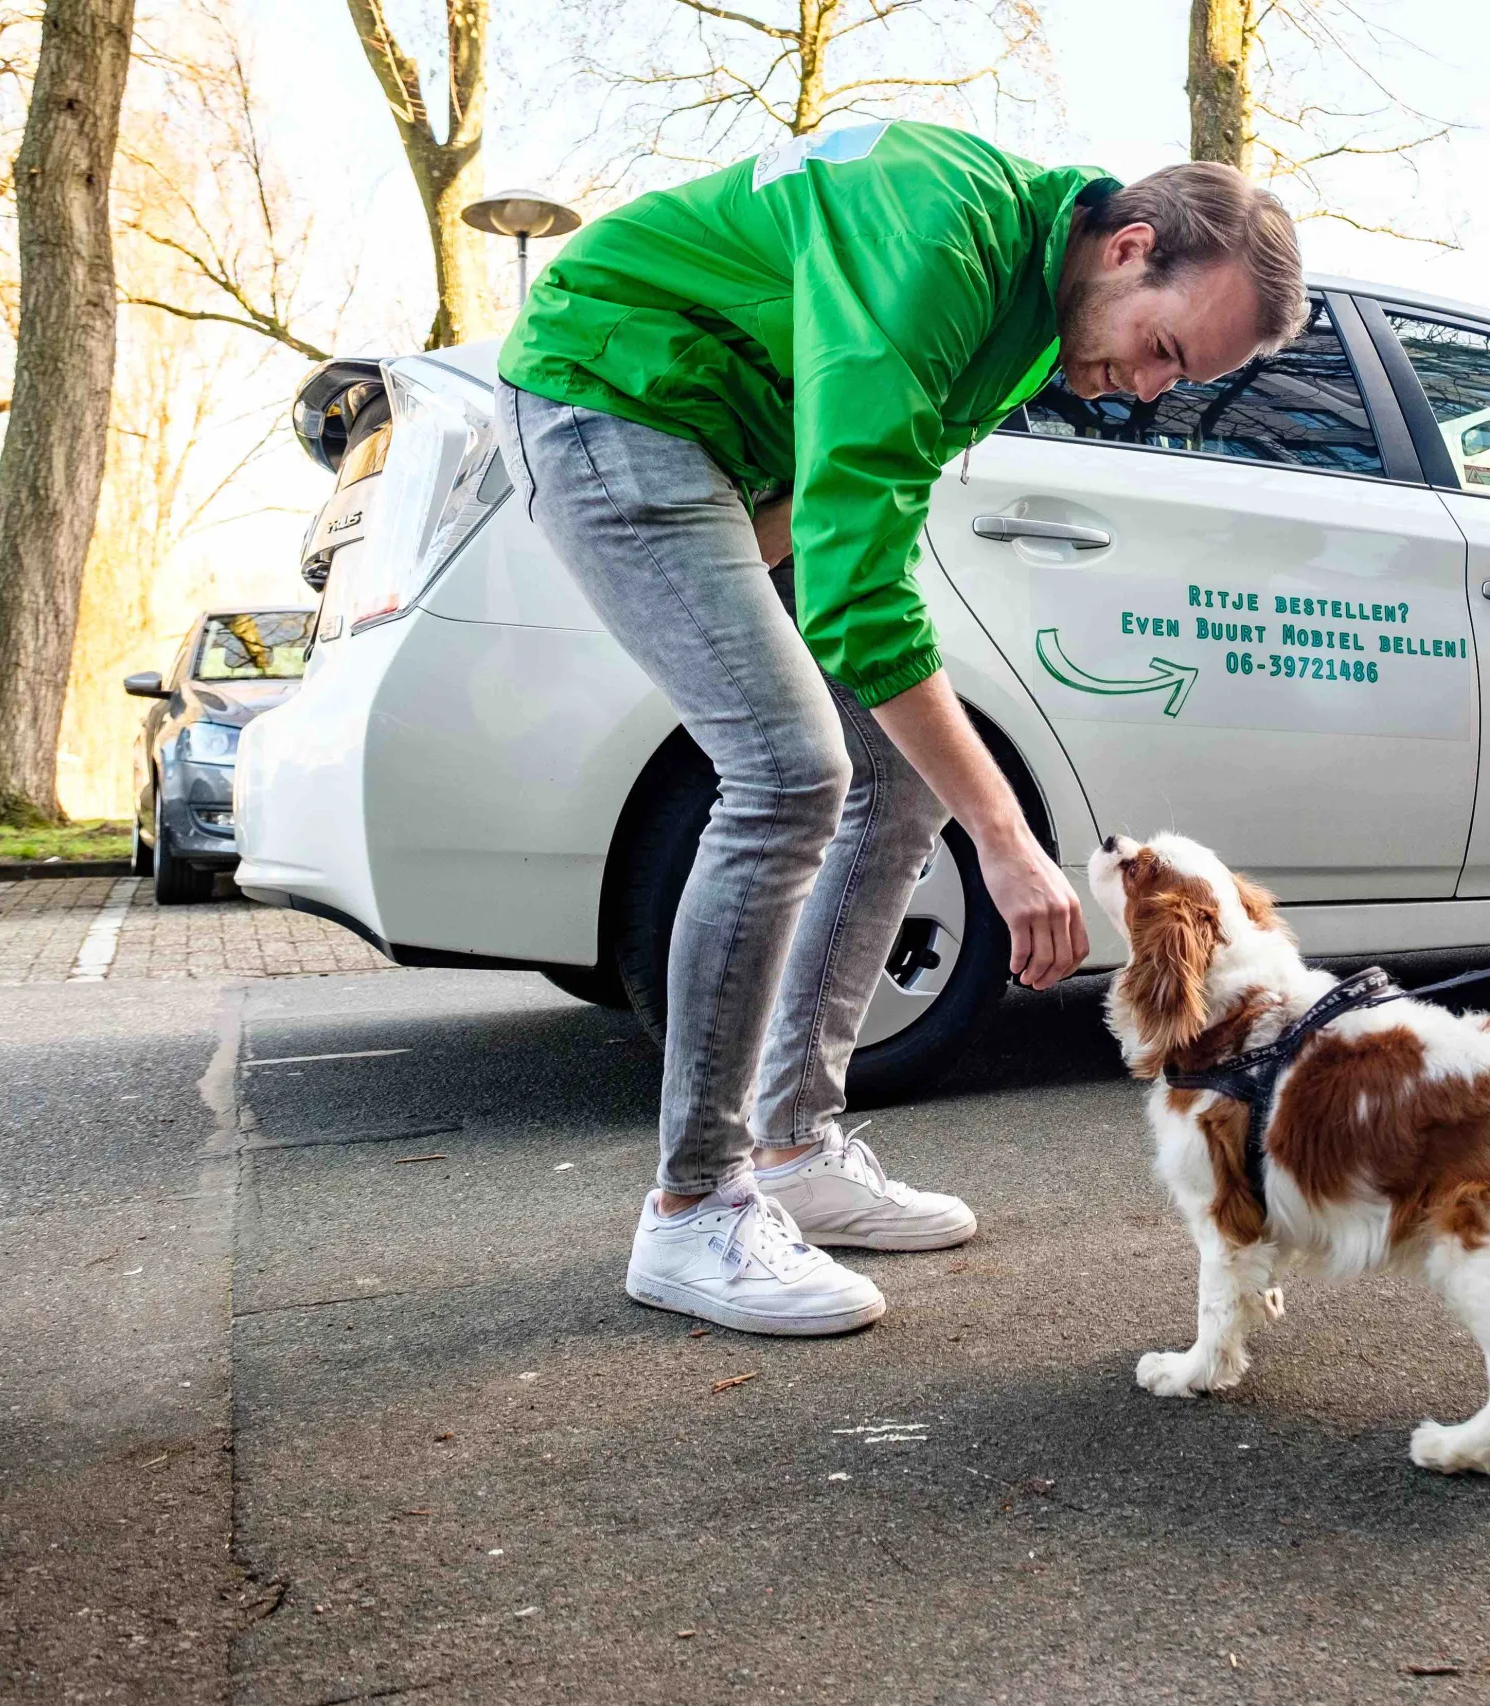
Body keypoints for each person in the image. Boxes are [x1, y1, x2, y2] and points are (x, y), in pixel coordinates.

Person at [494, 120, 1309, 1337]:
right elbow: (856, 582)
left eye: (1178, 383)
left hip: (732, 453)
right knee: (784, 773)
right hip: (615, 394)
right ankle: (692, 1207)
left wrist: (820, 609)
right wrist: (1009, 838)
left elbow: (866, 528)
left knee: (893, 773)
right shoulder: (941, 235)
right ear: (1129, 247)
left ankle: (791, 1145)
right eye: (1162, 351)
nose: (1148, 392)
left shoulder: (1032, 316)